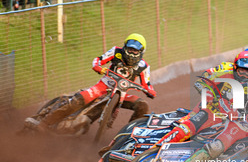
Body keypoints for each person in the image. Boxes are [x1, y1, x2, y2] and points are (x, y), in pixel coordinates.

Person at [25, 33, 156, 131]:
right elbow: (98, 60)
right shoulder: (116, 51)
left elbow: (147, 84)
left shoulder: (144, 66)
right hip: (103, 87)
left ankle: (129, 135)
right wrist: (99, 68)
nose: (132, 52)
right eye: (130, 49)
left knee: (142, 105)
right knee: (78, 99)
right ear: (125, 47)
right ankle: (44, 123)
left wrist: (150, 91)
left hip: (122, 94)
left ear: (141, 52)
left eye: (135, 50)